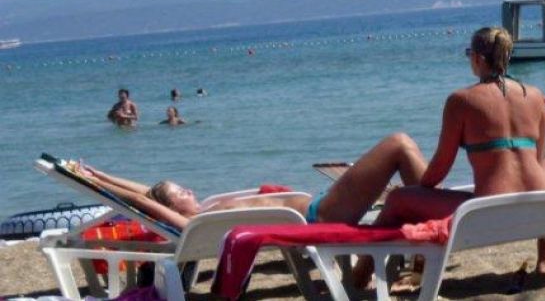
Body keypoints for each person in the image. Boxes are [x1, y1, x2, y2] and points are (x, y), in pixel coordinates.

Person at [368, 26, 545, 275]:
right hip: (540, 205)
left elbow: (439, 169)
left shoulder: (461, 101)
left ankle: (362, 272)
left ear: (478, 58)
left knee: (397, 199)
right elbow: (535, 158)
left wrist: (420, 188)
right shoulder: (535, 95)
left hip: (488, 213)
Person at [75, 132, 428, 232]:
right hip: (324, 212)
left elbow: (147, 190)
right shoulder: (195, 222)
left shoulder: (208, 207)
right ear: (172, 208)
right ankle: (437, 208)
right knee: (398, 144)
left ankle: (432, 208)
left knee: (400, 148)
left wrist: (100, 173)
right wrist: (100, 189)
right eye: (182, 193)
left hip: (324, 204)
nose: (190, 190)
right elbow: (147, 202)